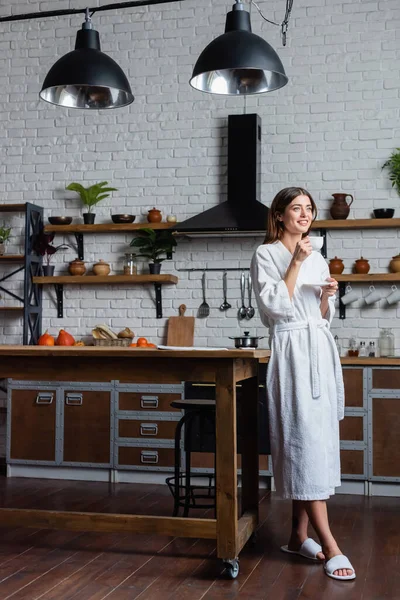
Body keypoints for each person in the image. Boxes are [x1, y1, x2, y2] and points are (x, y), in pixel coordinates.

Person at [250, 187, 356, 581]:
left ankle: (297, 535)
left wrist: (328, 295)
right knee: (303, 442)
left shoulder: (318, 254)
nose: (305, 214)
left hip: (318, 351)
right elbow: (274, 307)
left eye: (309, 208)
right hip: (292, 351)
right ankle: (329, 543)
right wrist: (295, 260)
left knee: (316, 441)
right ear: (279, 215)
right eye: (296, 208)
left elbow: (321, 315)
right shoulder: (266, 254)